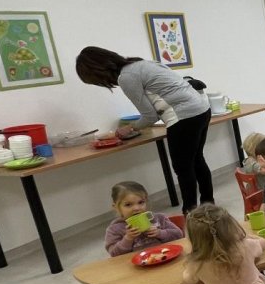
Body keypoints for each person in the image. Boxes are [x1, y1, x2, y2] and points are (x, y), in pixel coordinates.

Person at [75, 47, 213, 210]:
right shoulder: (142, 64)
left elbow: (150, 116)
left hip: (183, 117)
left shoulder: (126, 77)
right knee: (197, 160)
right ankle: (209, 206)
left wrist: (129, 128)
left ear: (98, 71)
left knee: (183, 168)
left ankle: (190, 213)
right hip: (202, 109)